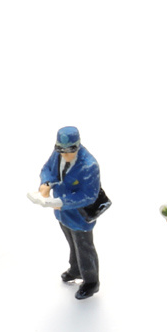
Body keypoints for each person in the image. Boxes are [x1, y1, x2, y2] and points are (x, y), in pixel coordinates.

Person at [37, 127, 102, 299]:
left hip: (80, 216)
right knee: (72, 244)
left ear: (77, 146)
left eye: (69, 151)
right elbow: (48, 169)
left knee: (84, 248)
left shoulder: (89, 166)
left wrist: (62, 202)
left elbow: (89, 195)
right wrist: (46, 183)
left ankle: (91, 282)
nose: (65, 155)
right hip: (62, 214)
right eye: (61, 150)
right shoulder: (58, 154)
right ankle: (76, 269)